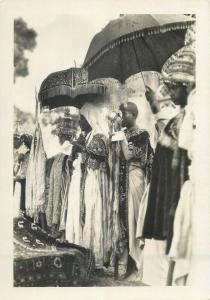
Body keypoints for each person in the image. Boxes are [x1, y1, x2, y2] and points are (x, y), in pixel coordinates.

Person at [111, 101, 153, 281]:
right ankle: (124, 263)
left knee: (135, 219)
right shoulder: (122, 134)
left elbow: (128, 155)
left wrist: (120, 136)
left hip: (135, 179)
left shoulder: (142, 134)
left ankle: (139, 264)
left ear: (133, 115)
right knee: (122, 220)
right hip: (121, 182)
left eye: (124, 114)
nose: (121, 117)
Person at [80, 102, 110, 269]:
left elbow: (100, 153)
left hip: (97, 177)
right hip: (90, 176)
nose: (80, 123)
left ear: (89, 118)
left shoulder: (100, 135)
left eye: (82, 119)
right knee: (89, 212)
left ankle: (97, 256)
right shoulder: (89, 134)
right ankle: (87, 252)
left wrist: (82, 148)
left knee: (95, 211)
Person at [45, 111, 76, 241]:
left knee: (61, 199)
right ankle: (54, 228)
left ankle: (59, 231)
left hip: (63, 174)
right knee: (54, 196)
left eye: (62, 135)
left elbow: (68, 163)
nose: (60, 137)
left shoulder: (69, 146)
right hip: (56, 172)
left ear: (66, 135)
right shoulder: (60, 146)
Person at [65, 114, 92, 245]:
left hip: (85, 175)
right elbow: (72, 160)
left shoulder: (91, 137)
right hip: (76, 177)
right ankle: (72, 239)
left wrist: (78, 145)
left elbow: (88, 154)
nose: (80, 123)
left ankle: (81, 241)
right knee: (74, 204)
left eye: (83, 120)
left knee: (82, 206)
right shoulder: (82, 137)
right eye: (80, 120)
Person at [14, 134, 32, 216]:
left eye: (25, 142)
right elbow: (17, 167)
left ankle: (25, 211)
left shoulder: (30, 153)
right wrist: (18, 163)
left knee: (25, 196)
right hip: (24, 177)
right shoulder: (25, 152)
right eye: (23, 143)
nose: (24, 144)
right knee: (23, 195)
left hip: (28, 178)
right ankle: (23, 211)